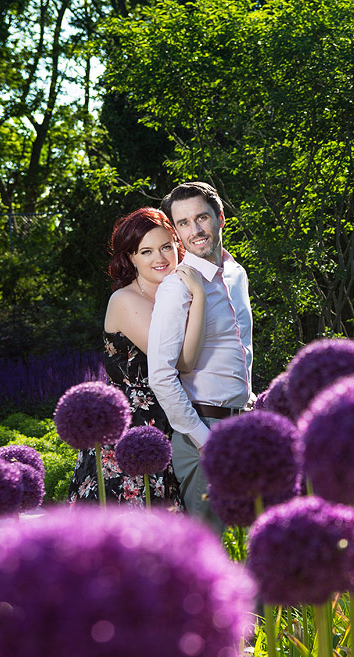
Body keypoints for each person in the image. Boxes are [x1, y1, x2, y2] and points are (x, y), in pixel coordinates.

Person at [68, 207, 207, 508]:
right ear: (130, 258)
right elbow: (182, 362)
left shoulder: (172, 293)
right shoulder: (125, 300)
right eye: (146, 251)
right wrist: (199, 300)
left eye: (166, 247)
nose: (160, 259)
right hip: (132, 434)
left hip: (169, 423)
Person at [148, 181, 254, 530]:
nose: (195, 230)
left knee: (249, 549)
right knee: (211, 551)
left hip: (243, 427)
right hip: (203, 434)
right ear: (176, 232)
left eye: (202, 218)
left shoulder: (237, 274)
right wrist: (202, 439)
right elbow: (161, 376)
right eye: (183, 223)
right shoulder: (176, 288)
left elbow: (239, 349)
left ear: (220, 218)